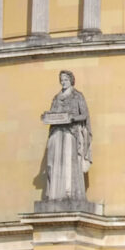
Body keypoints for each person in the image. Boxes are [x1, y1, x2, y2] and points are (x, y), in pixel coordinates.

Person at [40, 70, 93, 202]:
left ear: (71, 81)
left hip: (71, 132)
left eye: (65, 80)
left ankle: (69, 192)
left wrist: (73, 118)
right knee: (54, 161)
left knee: (68, 160)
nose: (63, 82)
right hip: (57, 133)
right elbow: (52, 113)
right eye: (61, 80)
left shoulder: (77, 96)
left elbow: (84, 115)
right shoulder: (56, 97)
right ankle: (54, 193)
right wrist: (47, 116)